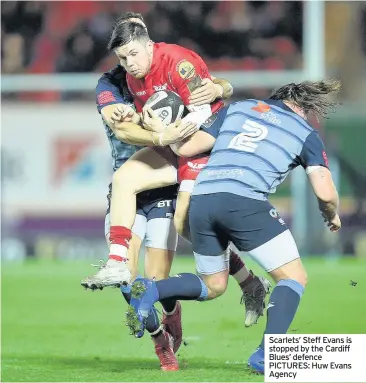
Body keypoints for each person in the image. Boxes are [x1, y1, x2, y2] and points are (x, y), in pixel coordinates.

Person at [123, 79, 342, 374]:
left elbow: (188, 147)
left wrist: (162, 131)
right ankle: (267, 355)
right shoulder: (305, 131)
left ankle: (150, 290)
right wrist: (331, 215)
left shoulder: (239, 108)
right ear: (303, 108)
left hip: (202, 198)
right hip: (245, 201)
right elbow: (326, 193)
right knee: (294, 277)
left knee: (213, 285)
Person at [82, 13, 252, 371]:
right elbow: (125, 132)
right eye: (122, 56)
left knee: (158, 280)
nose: (129, 62)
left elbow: (201, 88)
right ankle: (161, 343)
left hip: (165, 184)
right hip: (135, 182)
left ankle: (178, 312)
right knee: (129, 281)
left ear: (146, 38)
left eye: (134, 53)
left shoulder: (168, 64)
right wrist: (160, 135)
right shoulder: (110, 84)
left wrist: (221, 86)